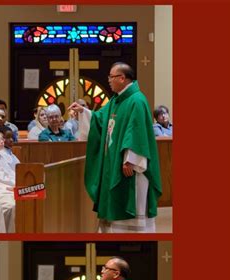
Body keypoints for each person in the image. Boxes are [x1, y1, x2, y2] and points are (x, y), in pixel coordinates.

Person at [69, 62, 162, 233]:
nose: (109, 80)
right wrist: (83, 111)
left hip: (130, 167)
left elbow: (136, 132)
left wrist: (130, 160)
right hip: (114, 163)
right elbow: (100, 120)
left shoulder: (137, 100)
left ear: (122, 78)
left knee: (131, 204)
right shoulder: (116, 100)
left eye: (111, 77)